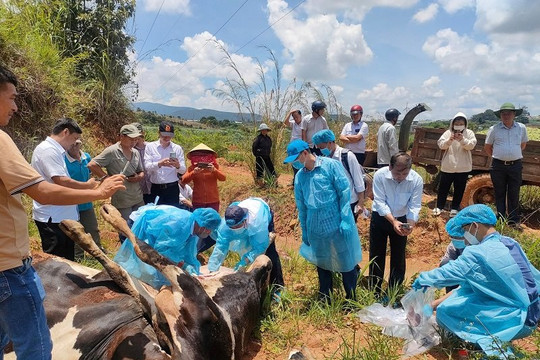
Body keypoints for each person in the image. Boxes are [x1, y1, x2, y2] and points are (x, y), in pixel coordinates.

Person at [0, 65, 125, 360]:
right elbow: (44, 188)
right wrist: (97, 192)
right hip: (8, 264)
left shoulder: (61, 151)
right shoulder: (16, 144)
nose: (16, 106)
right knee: (36, 346)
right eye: (12, 98)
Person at [413, 204, 540, 358]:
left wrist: (424, 279)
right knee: (461, 300)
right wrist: (432, 304)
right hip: (533, 314)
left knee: (445, 312)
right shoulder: (510, 243)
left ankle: (495, 349)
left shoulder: (477, 252)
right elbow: (464, 288)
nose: (465, 237)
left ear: (474, 226)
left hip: (516, 321)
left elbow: (448, 273)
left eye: (465, 231)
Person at [283, 139, 362, 301]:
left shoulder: (329, 166)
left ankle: (351, 298)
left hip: (336, 223)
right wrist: (305, 230)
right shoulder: (300, 177)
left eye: (296, 159)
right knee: (322, 261)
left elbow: (344, 193)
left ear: (305, 153)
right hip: (315, 226)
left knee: (345, 260)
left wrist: (346, 219)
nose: (295, 164)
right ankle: (326, 296)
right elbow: (302, 206)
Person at [31, 117, 99, 260]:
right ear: (65, 132)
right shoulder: (48, 150)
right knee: (57, 263)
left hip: (60, 215)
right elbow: (61, 180)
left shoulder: (56, 151)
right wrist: (87, 187)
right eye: (74, 138)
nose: (74, 142)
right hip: (53, 217)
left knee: (66, 260)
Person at [114, 206, 222, 289]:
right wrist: (181, 264)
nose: (208, 233)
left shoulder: (194, 228)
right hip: (141, 224)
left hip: (158, 231)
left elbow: (189, 251)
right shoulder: (179, 224)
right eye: (208, 229)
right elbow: (161, 249)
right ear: (202, 225)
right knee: (141, 262)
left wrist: (194, 269)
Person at [369, 152, 423, 296]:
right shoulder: (380, 175)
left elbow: (415, 205)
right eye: (397, 173)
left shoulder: (416, 180)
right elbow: (379, 202)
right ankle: (374, 290)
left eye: (404, 174)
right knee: (377, 254)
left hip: (403, 219)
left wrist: (410, 224)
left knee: (398, 256)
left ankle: (393, 291)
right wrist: (393, 221)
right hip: (381, 218)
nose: (400, 177)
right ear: (390, 166)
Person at [207, 197, 285, 289]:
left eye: (237, 226)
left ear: (244, 220)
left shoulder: (257, 224)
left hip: (263, 212)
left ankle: (277, 287)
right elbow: (221, 247)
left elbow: (260, 247)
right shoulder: (225, 226)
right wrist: (213, 269)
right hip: (245, 214)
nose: (234, 229)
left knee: (269, 251)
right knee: (244, 247)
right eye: (232, 227)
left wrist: (244, 261)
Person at [87, 124, 145, 223]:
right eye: (131, 139)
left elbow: (141, 170)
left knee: (140, 225)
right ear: (122, 136)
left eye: (136, 139)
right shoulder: (112, 151)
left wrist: (139, 177)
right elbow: (92, 165)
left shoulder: (135, 152)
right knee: (126, 228)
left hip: (137, 196)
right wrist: (107, 179)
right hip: (122, 198)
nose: (134, 142)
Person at [484, 103, 528, 227]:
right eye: (503, 113)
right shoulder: (494, 129)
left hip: (515, 165)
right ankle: (501, 219)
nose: (506, 115)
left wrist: (511, 155)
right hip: (498, 166)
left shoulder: (521, 128)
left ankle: (514, 221)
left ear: (514, 114)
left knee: (514, 192)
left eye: (509, 113)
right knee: (499, 192)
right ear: (500, 116)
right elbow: (487, 147)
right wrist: (500, 156)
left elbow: (522, 145)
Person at [312, 129, 366, 220]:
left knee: (347, 229)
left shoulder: (347, 156)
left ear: (329, 143)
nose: (320, 150)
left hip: (349, 202)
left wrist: (360, 202)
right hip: (333, 202)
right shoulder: (324, 159)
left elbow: (358, 180)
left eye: (321, 147)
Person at [433, 112, 477, 217]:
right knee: (443, 188)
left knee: (459, 189)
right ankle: (439, 207)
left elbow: (471, 146)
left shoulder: (469, 133)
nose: (459, 124)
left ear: (465, 124)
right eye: (456, 122)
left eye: (461, 122)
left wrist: (462, 139)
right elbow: (441, 145)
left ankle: (454, 208)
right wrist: (450, 140)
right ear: (452, 123)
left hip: (463, 167)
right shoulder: (448, 133)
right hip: (448, 166)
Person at [64, 139, 103, 259]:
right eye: (72, 143)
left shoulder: (86, 157)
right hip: (72, 201)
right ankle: (78, 257)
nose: (75, 146)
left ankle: (98, 253)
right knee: (75, 230)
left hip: (86, 200)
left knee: (92, 228)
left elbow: (91, 172)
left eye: (77, 143)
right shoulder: (63, 160)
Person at [144, 120, 186, 206]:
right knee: (156, 214)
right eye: (164, 135)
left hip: (172, 189)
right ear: (159, 133)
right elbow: (147, 167)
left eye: (169, 136)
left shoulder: (177, 148)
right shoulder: (150, 147)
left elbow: (183, 170)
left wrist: (178, 166)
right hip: (156, 188)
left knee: (172, 215)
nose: (167, 138)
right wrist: (159, 164)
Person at [131, 122, 153, 204]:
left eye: (138, 133)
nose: (136, 136)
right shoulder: (130, 150)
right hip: (138, 189)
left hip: (153, 186)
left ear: (143, 133)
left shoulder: (151, 147)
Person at [284, 109, 303, 181]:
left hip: (300, 147)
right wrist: (289, 112)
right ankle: (295, 180)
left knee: (301, 164)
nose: (295, 119)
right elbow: (285, 122)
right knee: (294, 164)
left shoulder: (304, 123)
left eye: (297, 117)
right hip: (293, 147)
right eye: (294, 117)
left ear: (300, 115)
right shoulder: (293, 123)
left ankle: (299, 181)